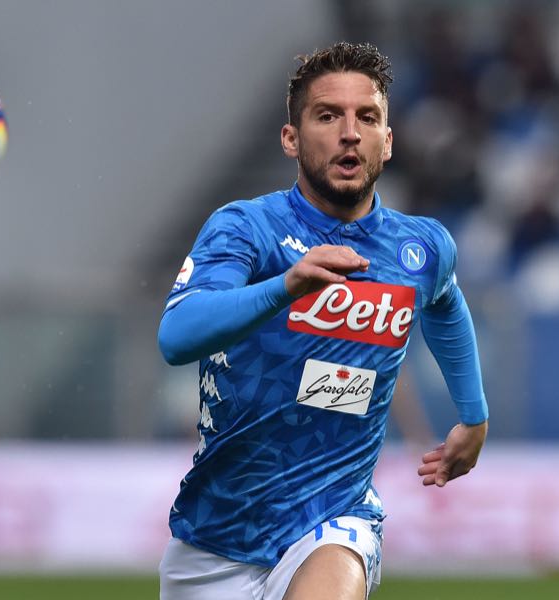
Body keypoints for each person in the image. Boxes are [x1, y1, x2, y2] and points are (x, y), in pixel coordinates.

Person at [156, 42, 488, 600]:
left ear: (388, 140)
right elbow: (177, 335)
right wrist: (285, 287)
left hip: (335, 520)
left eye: (368, 117)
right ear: (292, 138)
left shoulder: (422, 248)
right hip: (216, 537)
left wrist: (473, 416)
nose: (350, 132)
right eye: (328, 115)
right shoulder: (246, 229)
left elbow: (448, 307)